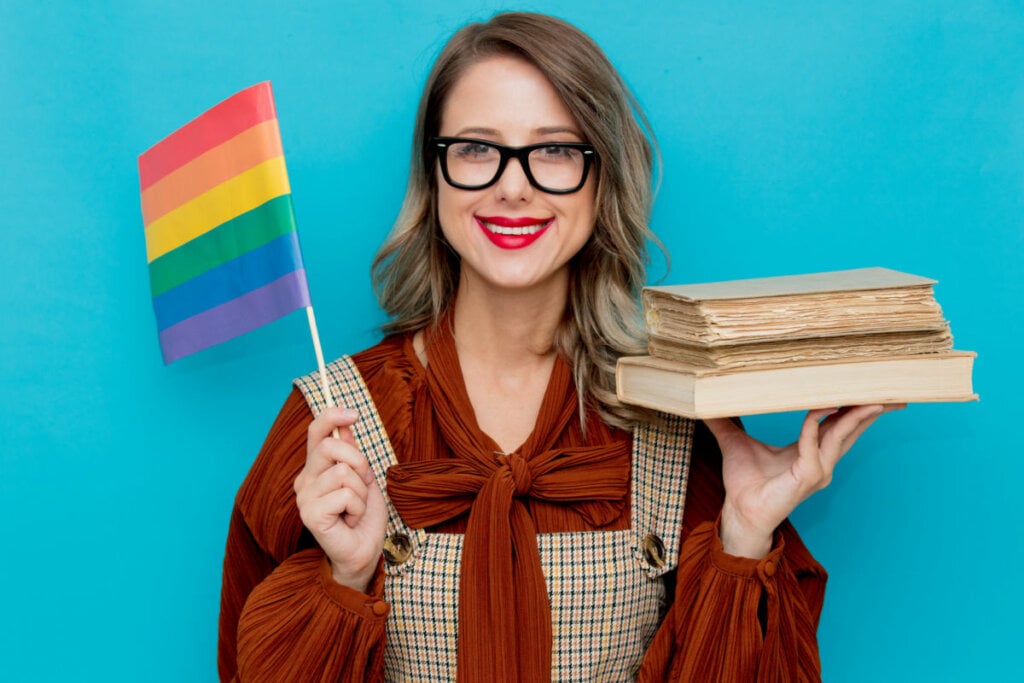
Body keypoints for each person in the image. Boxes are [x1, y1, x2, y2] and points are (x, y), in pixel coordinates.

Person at [218, 11, 896, 682]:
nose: (514, 186)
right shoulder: (334, 423)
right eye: (478, 148)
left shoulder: (674, 420)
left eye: (555, 150)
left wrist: (742, 537)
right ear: (435, 175)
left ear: (602, 182)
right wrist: (347, 576)